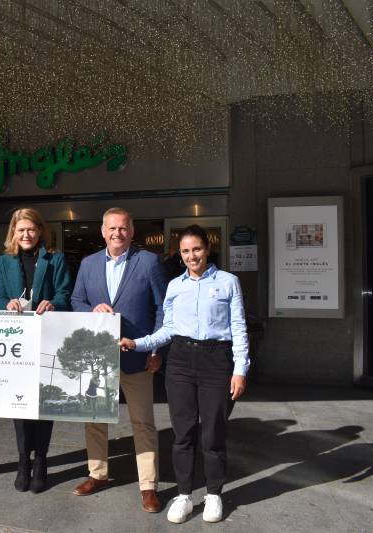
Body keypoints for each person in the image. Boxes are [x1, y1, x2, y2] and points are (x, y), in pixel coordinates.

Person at [122, 224, 250, 524]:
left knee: (213, 433)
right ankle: (183, 494)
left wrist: (240, 369)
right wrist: (139, 344)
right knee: (182, 433)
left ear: (207, 249)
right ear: (179, 255)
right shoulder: (175, 285)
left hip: (217, 360)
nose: (192, 256)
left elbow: (239, 327)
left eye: (197, 249)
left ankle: (214, 494)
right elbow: (167, 329)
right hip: (180, 361)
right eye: (185, 251)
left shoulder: (229, 281)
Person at [70, 207, 167, 514]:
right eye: (111, 228)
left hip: (137, 356)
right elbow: (76, 300)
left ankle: (148, 486)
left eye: (123, 228)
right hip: (97, 357)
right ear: (102, 231)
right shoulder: (88, 264)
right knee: (95, 419)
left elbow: (164, 309)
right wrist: (91, 310)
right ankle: (97, 474)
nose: (117, 233)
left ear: (132, 231)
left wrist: (155, 350)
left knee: (143, 423)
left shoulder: (148, 262)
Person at [0, 207, 72, 493]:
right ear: (13, 232)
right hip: (18, 343)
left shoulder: (55, 258)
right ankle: (22, 460)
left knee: (44, 403)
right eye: (20, 229)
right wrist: (6, 305)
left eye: (31, 229)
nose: (26, 234)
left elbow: (65, 293)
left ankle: (41, 460)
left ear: (40, 231)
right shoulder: (3, 262)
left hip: (47, 338)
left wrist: (53, 303)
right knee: (20, 404)